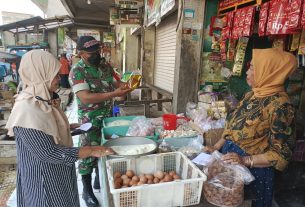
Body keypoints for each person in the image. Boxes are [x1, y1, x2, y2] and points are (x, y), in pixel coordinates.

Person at [5, 50, 115, 207]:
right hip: (43, 179)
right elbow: (49, 153)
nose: (59, 79)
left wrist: (66, 127)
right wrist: (91, 150)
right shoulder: (26, 109)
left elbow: (44, 128)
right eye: (55, 75)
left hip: (58, 172)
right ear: (40, 74)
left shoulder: (41, 98)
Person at [204, 48, 297, 207]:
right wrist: (216, 147)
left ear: (269, 72)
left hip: (254, 172)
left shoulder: (281, 107)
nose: (247, 72)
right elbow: (231, 127)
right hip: (230, 162)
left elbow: (280, 154)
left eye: (253, 68)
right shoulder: (253, 94)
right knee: (225, 200)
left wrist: (245, 160)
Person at [69, 36, 131, 207]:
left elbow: (118, 83)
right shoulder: (77, 71)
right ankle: (87, 190)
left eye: (97, 51)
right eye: (91, 53)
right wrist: (114, 94)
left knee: (105, 148)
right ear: (81, 53)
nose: (96, 55)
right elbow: (86, 97)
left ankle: (98, 178)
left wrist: (126, 87)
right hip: (89, 120)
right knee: (88, 151)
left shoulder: (105, 65)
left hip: (108, 117)